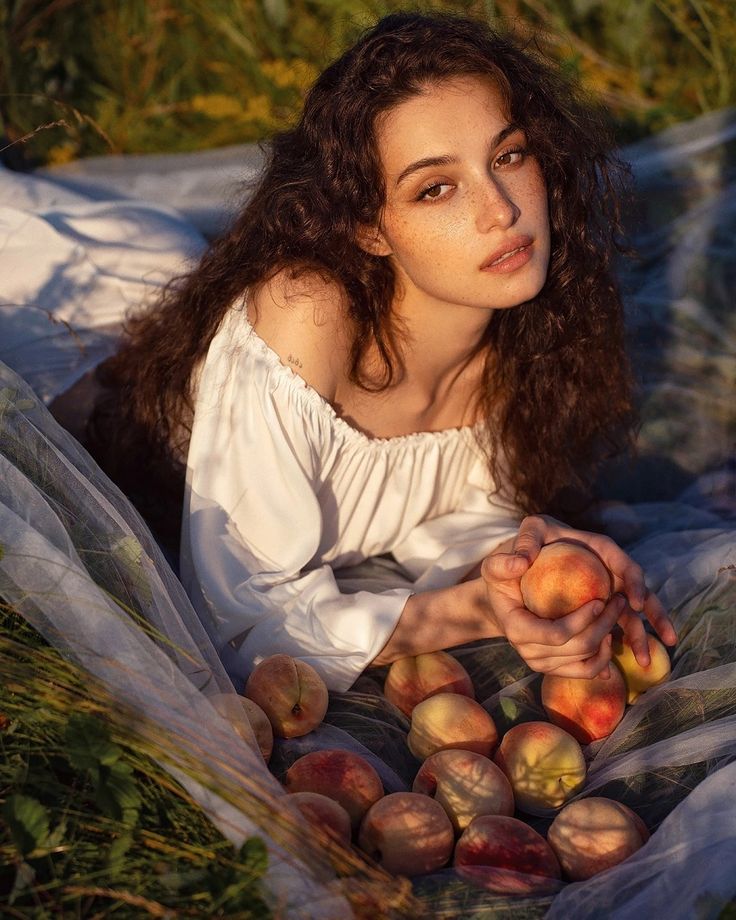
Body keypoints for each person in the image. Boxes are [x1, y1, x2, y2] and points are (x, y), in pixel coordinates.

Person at [72, 11, 676, 692]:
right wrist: (472, 611)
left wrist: (529, 557)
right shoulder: (307, 321)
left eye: (508, 155)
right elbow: (238, 623)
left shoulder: (534, 329)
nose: (501, 209)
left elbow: (453, 518)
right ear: (368, 228)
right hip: (93, 363)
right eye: (435, 188)